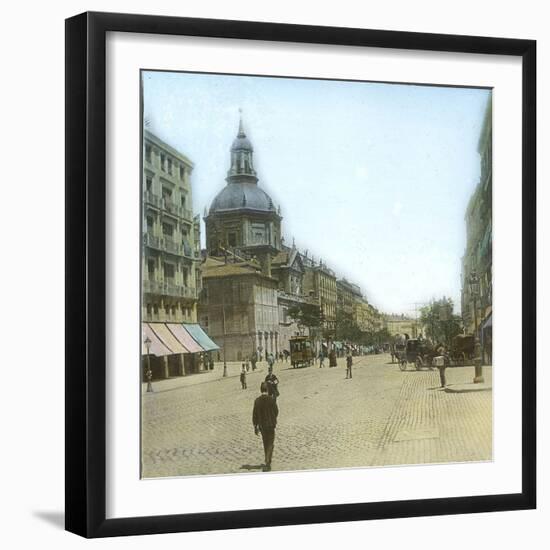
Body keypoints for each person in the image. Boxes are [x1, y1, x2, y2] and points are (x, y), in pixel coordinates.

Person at [252, 382, 279, 472]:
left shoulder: (257, 401)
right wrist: (273, 418)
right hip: (271, 425)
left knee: (265, 443)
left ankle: (267, 460)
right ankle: (268, 461)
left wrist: (255, 426)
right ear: (267, 390)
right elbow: (276, 411)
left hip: (262, 426)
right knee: (271, 443)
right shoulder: (271, 399)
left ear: (261, 390)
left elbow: (254, 415)